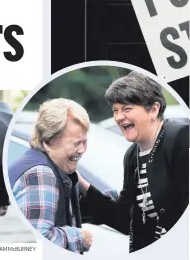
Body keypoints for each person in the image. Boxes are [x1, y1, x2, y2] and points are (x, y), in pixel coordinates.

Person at [78, 71, 189, 253]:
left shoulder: (181, 139)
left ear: (153, 109)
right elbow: (124, 219)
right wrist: (83, 184)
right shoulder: (132, 155)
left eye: (127, 109)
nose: (119, 117)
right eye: (115, 110)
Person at [8, 99, 93, 254]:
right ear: (47, 142)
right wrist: (79, 236)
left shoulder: (55, 168)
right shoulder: (41, 174)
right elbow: (41, 238)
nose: (82, 150)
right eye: (75, 143)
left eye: (84, 142)